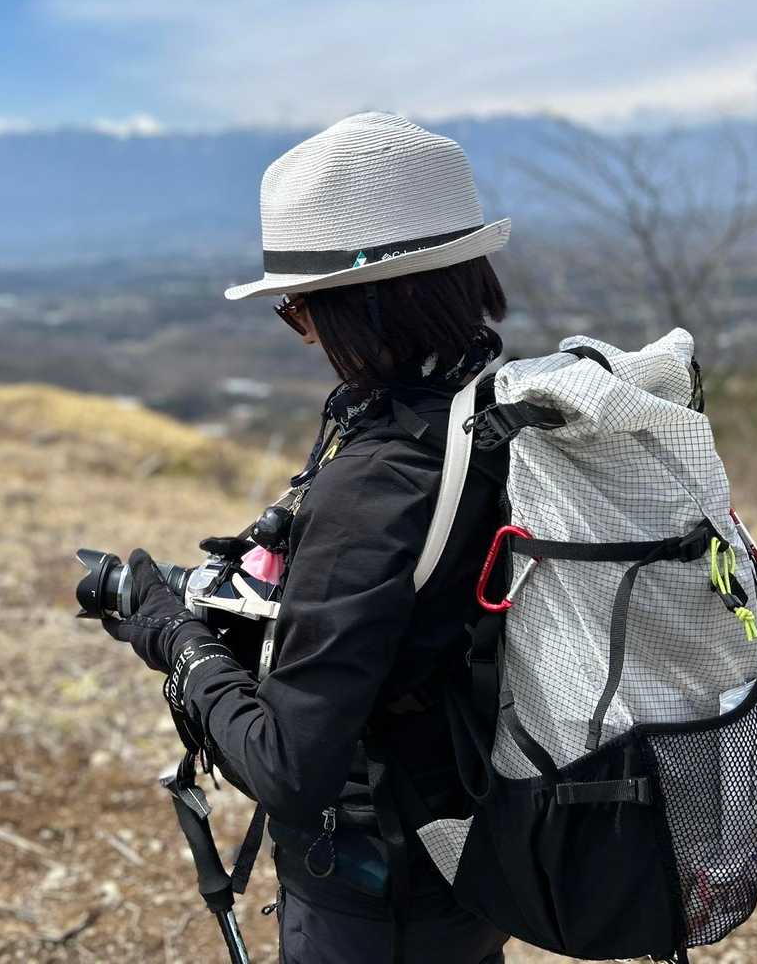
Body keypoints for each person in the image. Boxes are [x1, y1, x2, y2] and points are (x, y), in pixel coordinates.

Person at [96, 112, 515, 963]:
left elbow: (289, 768)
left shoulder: (377, 482)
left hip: (374, 889)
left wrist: (173, 636)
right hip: (476, 854)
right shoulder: (495, 418)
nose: (307, 334)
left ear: (370, 305)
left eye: (299, 310)